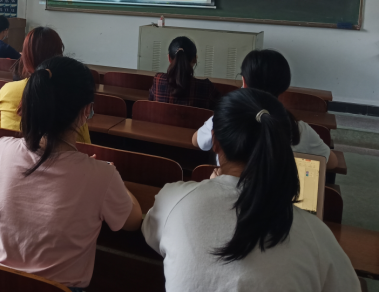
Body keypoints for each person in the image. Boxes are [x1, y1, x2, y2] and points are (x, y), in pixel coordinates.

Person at [143, 88, 359, 292]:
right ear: (282, 144)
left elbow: (153, 235)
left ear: (215, 141)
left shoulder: (173, 200)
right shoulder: (317, 236)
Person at [0, 56, 143, 291]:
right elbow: (134, 221)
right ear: (86, 110)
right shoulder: (102, 176)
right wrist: (109, 174)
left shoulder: (2, 148)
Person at [192, 49, 338, 169]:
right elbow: (332, 162)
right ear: (284, 86)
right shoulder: (298, 130)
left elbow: (196, 141)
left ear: (244, 83)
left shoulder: (224, 119)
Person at [0, 27, 91, 143]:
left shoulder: (6, 91)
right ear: (59, 56)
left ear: (25, 57)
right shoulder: (71, 93)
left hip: (11, 154)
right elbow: (85, 145)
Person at [149, 36, 219, 110]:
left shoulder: (158, 80)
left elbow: (150, 105)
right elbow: (221, 109)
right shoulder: (206, 87)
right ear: (195, 59)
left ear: (169, 58)